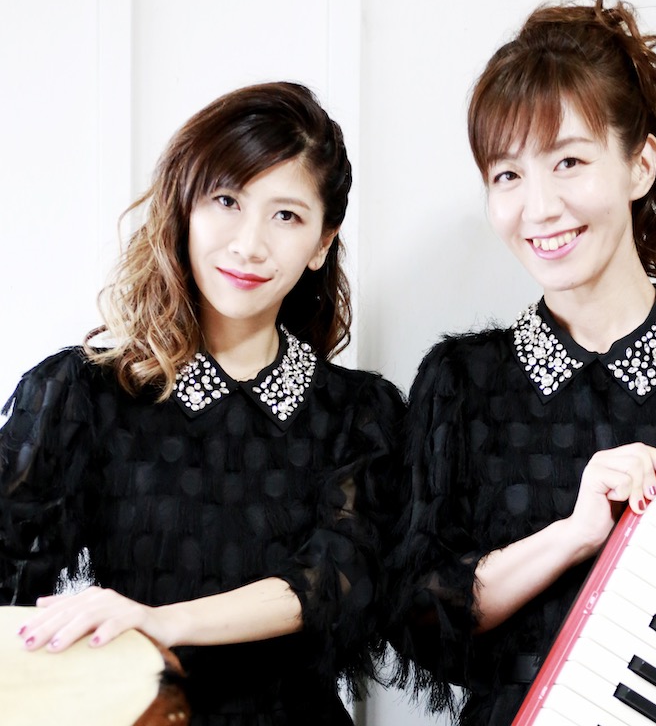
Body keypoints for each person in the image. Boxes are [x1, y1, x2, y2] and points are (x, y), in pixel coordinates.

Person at [0, 81, 405, 724]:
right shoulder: (79, 395)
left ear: (322, 243)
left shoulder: (360, 414)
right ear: (184, 207)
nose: (249, 244)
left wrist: (160, 621)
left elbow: (335, 579)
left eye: (286, 216)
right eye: (226, 200)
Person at [389, 0, 656, 724]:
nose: (538, 207)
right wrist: (574, 535)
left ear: (640, 165)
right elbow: (419, 618)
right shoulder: (461, 383)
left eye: (568, 161)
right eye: (507, 175)